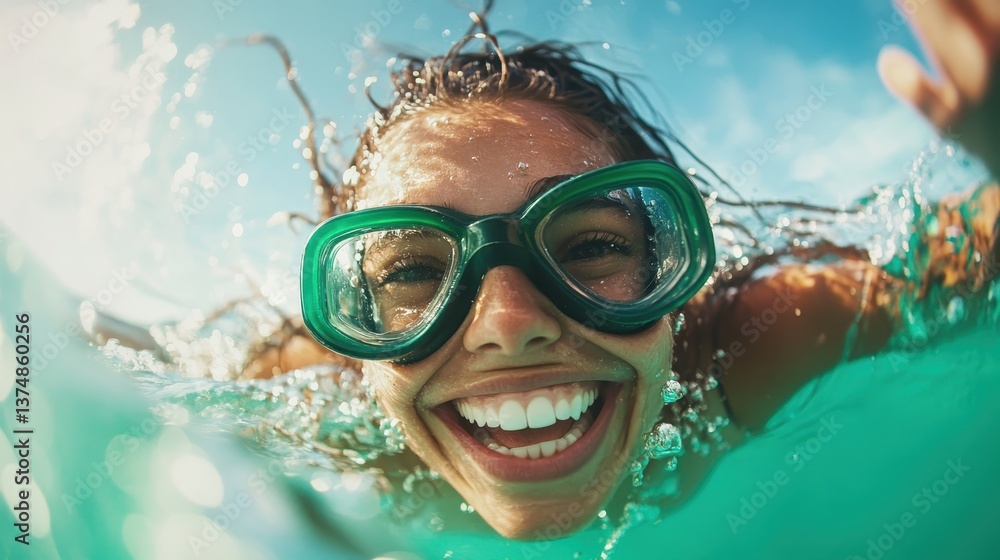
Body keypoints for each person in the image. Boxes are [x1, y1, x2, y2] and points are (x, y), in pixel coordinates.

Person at [105, 0, 997, 543]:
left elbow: (963, 262)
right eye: (414, 270)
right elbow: (98, 377)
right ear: (356, 335)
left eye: (593, 247)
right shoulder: (312, 405)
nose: (506, 322)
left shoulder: (745, 345)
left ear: (672, 267)